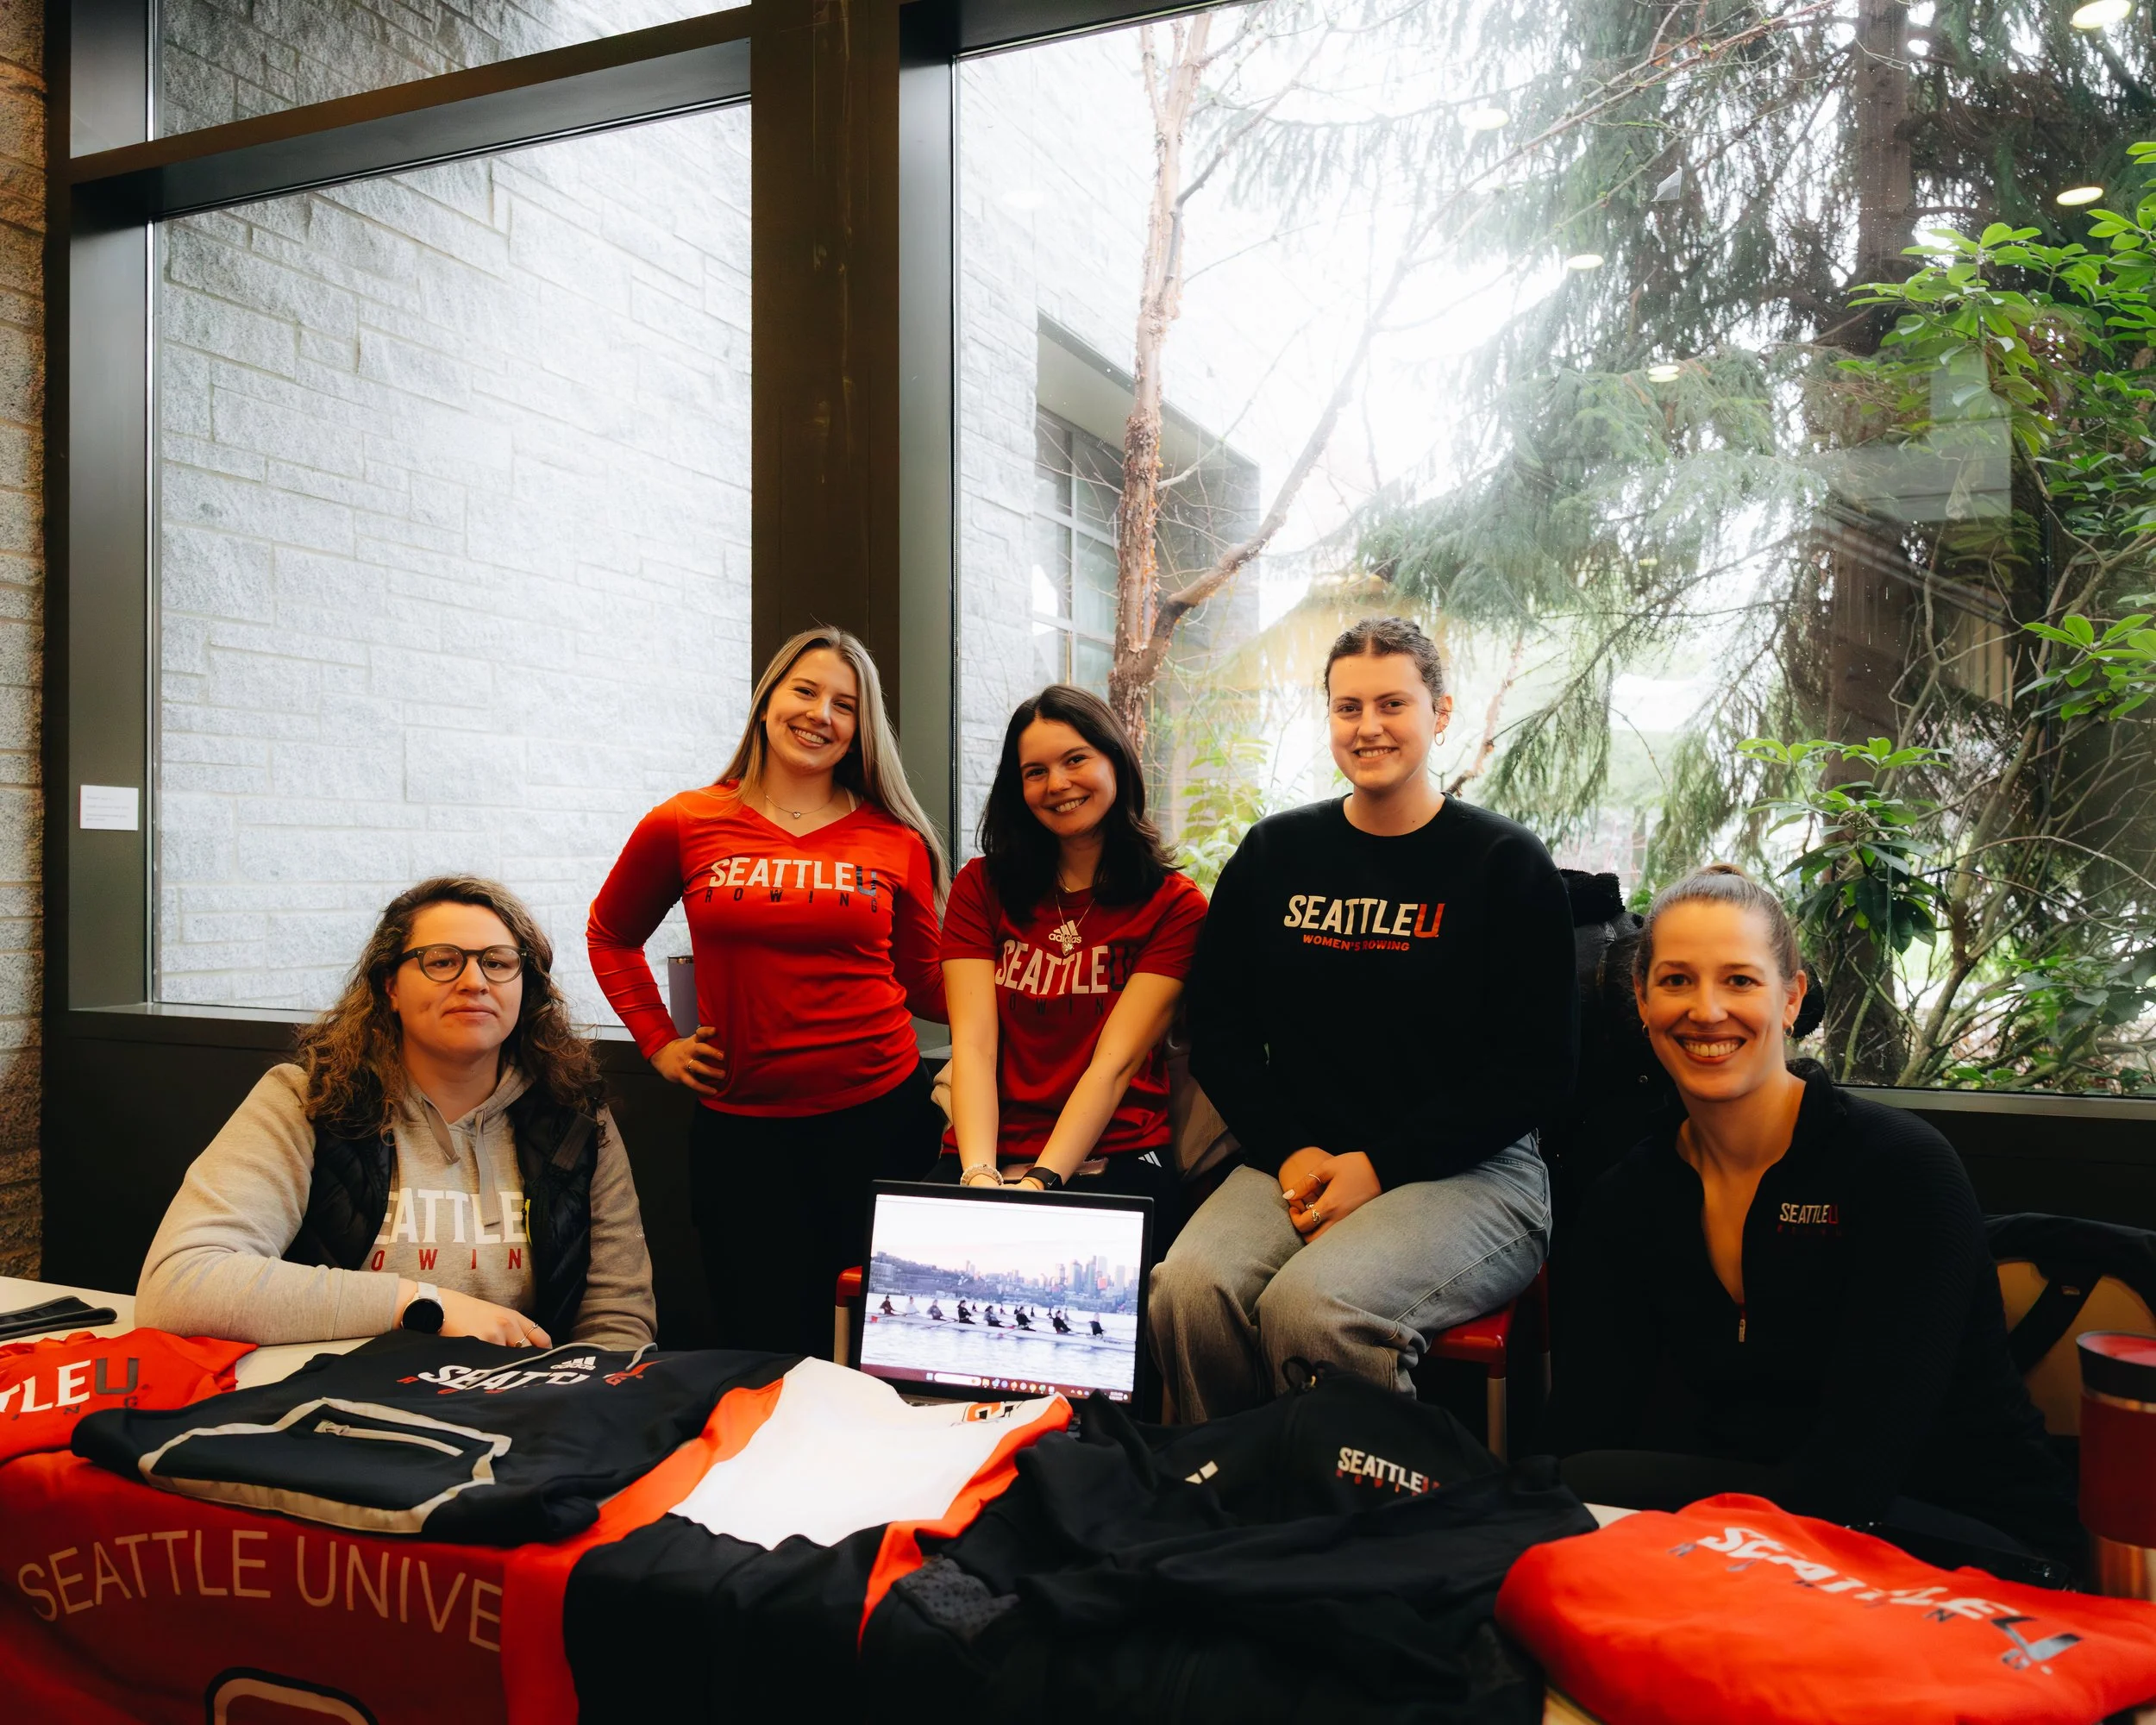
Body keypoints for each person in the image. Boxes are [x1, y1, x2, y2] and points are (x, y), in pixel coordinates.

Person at [1546, 864, 2084, 1571]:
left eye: (1740, 980)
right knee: (1570, 1489)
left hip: (1965, 1542)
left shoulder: (1898, 1166)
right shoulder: (1630, 1196)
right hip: (1765, 1535)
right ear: (1640, 1002)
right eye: (1677, 981)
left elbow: (1860, 1469)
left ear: (1792, 997)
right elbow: (1587, 1433)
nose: (1706, 1010)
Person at [1151, 618, 1572, 1421]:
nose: (1368, 727)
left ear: (1439, 713)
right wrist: (1293, 1150)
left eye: (1393, 703)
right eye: (1348, 708)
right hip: (1299, 1158)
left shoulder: (1505, 864)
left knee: (1314, 1311)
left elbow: (1539, 1069)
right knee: (1187, 1289)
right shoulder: (1275, 853)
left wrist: (1379, 1165)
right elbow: (1223, 1030)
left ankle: (1362, 1529)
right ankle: (1233, 1504)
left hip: (1474, 1173)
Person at [587, 627, 949, 1358]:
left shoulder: (895, 839)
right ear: (767, 702)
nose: (821, 714)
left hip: (880, 1120)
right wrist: (658, 1043)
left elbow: (927, 983)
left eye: (844, 705)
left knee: (881, 1348)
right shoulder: (687, 822)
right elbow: (609, 934)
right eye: (805, 691)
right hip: (741, 1135)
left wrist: (1026, 970)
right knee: (761, 1349)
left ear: (859, 729)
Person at [138, 877, 655, 1349]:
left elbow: (617, 1318)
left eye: (498, 962)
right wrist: (423, 1305)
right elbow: (181, 1285)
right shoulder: (304, 1101)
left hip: (518, 1415)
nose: (475, 981)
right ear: (390, 986)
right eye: (442, 960)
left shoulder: (577, 1119)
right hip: (331, 1405)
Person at [939, 685, 1208, 1237]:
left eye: (1075, 759)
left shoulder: (1174, 904)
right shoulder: (981, 887)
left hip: (1119, 1150)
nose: (1057, 784)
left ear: (1116, 760)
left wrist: (1039, 1185)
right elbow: (974, 1045)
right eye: (1034, 771)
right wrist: (980, 1176)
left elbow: (1114, 1067)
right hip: (983, 1150)